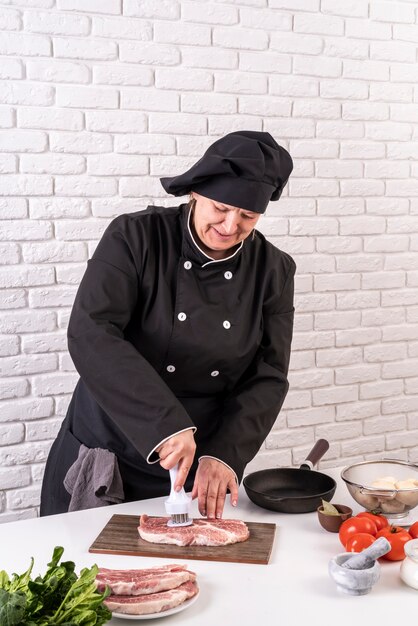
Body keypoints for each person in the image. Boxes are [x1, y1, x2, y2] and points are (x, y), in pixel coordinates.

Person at [40, 130, 296, 519]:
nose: (230, 226)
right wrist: (164, 425)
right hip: (111, 447)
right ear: (195, 193)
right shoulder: (135, 237)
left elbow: (269, 373)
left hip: (197, 464)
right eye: (220, 208)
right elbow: (92, 331)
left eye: (247, 215)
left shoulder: (274, 269)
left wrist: (225, 454)